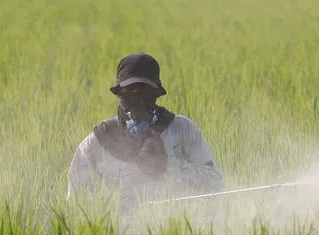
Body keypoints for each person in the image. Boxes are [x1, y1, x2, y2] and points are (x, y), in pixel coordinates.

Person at [67, 53, 223, 212]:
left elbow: (215, 182)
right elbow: (75, 202)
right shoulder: (99, 140)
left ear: (156, 92)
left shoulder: (182, 129)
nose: (137, 96)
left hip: (175, 224)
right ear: (119, 92)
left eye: (144, 89)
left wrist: (167, 166)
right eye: (130, 89)